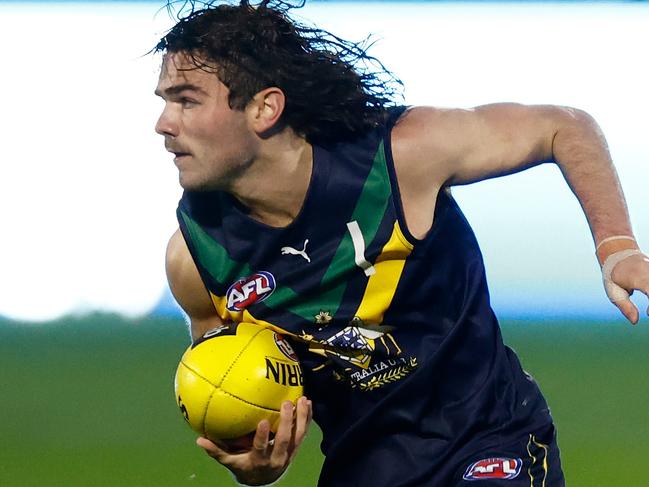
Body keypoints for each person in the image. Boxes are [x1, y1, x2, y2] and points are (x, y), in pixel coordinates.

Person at [154, 1, 649, 485]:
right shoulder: (195, 261)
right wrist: (258, 467)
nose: (164, 124)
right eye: (165, 102)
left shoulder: (397, 157)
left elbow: (563, 125)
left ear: (265, 107)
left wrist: (617, 247)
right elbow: (242, 404)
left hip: (491, 444)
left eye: (187, 100)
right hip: (361, 468)